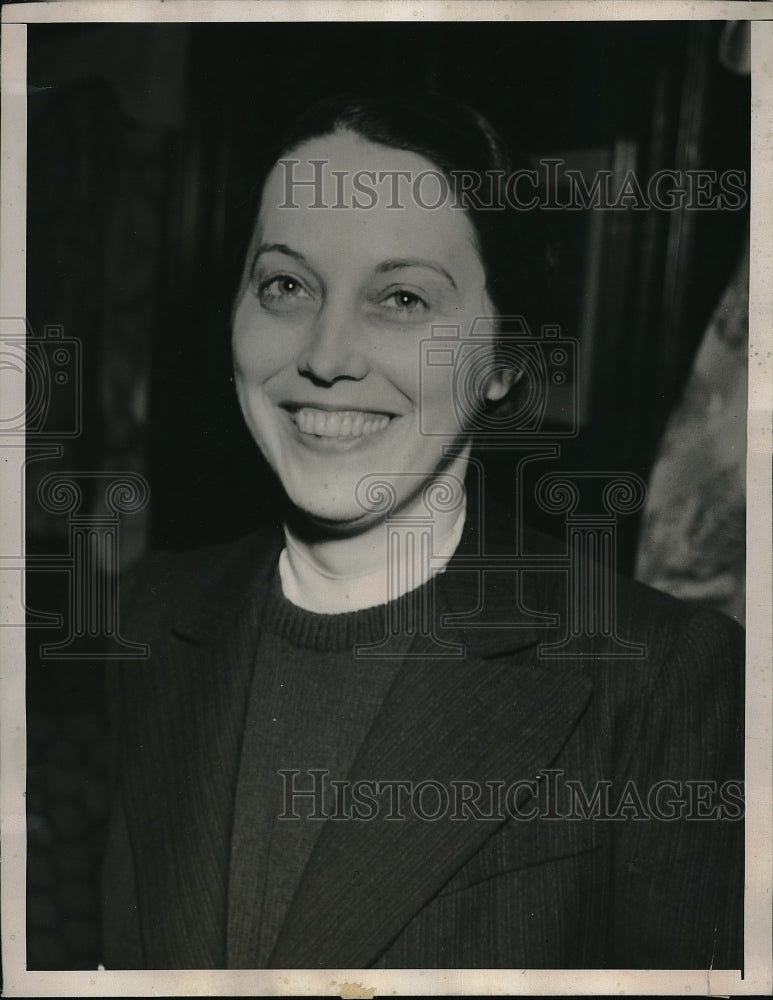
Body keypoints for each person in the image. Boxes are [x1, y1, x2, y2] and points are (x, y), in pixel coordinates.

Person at [100, 93, 744, 970]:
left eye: (401, 297)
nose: (326, 356)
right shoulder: (142, 616)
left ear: (503, 358)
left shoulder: (660, 681)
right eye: (285, 284)